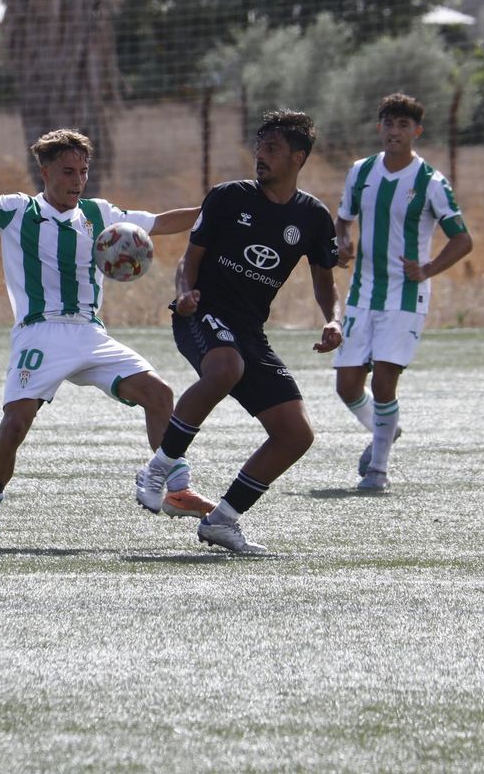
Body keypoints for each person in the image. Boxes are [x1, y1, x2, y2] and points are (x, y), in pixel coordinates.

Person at [0, 105, 215, 550]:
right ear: (45, 171)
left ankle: (177, 487)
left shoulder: (99, 213)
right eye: (68, 171)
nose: (77, 180)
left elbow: (161, 223)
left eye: (83, 171)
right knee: (15, 424)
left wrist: (216, 210)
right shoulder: (16, 211)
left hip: (90, 333)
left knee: (160, 393)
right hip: (39, 333)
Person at [135, 110, 343, 553]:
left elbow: (326, 284)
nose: (260, 156)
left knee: (296, 433)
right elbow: (188, 259)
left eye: (272, 149)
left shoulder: (313, 218)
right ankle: (160, 467)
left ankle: (223, 520)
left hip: (249, 330)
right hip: (201, 312)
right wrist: (186, 291)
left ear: (298, 157)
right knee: (226, 365)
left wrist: (333, 319)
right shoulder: (228, 197)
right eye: (259, 147)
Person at [332, 93, 473, 491]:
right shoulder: (360, 172)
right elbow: (343, 219)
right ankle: (384, 431)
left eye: (403, 126)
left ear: (416, 132)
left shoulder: (431, 182)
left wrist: (427, 269)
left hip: (405, 298)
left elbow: (463, 241)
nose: (395, 132)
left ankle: (378, 470)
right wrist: (343, 242)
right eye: (389, 124)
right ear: (380, 129)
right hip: (363, 293)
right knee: (346, 385)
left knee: (383, 384)